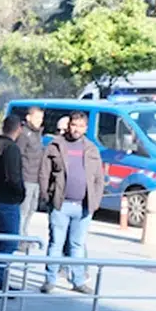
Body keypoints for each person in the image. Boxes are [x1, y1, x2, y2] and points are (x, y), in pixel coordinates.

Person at [39, 111, 104, 294]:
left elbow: (99, 178)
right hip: (60, 204)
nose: (76, 129)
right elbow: (44, 173)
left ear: (86, 128)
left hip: (83, 206)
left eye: (81, 126)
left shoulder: (91, 148)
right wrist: (47, 197)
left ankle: (78, 280)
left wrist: (95, 201)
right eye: (74, 125)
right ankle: (50, 280)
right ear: (69, 125)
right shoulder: (55, 146)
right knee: (56, 244)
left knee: (77, 245)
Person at [0, 115, 25, 290]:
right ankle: (0, 280)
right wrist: (20, 193)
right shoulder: (11, 148)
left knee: (3, 240)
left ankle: (0, 278)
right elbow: (13, 177)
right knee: (9, 242)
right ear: (18, 129)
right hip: (7, 199)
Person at [16, 106, 46, 249]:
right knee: (23, 209)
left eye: (41, 118)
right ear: (28, 118)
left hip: (36, 178)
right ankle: (19, 239)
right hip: (26, 178)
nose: (40, 121)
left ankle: (24, 234)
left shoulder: (37, 134)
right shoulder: (24, 134)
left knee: (32, 208)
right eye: (37, 118)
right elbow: (18, 156)